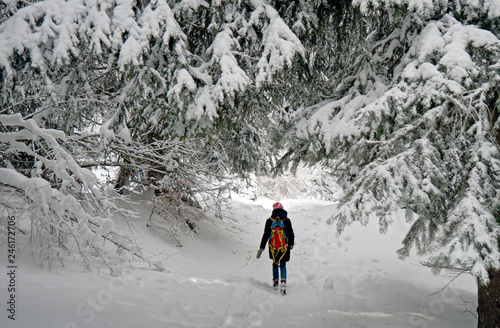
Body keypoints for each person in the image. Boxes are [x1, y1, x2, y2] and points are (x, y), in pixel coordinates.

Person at [256, 202, 295, 291]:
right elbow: (290, 234)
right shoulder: (286, 220)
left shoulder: (269, 220)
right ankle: (283, 282)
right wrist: (291, 244)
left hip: (273, 247)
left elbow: (266, 235)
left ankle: (276, 282)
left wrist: (261, 248)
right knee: (283, 264)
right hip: (284, 246)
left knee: (275, 263)